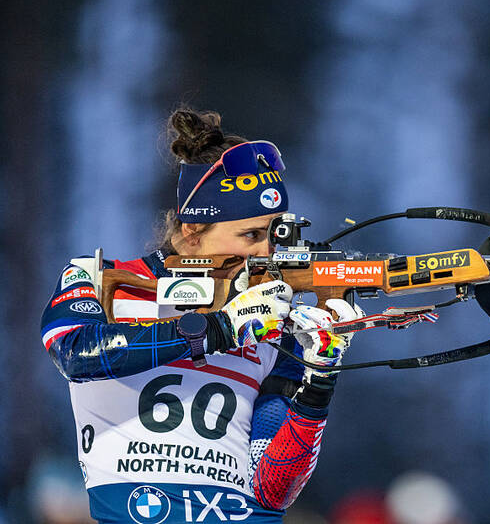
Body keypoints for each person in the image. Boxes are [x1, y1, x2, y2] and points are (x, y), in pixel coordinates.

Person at [40, 108, 362, 523]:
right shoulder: (96, 276)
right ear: (193, 231)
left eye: (276, 233)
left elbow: (272, 487)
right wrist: (221, 329)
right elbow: (74, 351)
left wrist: (319, 377)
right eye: (251, 235)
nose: (267, 253)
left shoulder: (272, 319)